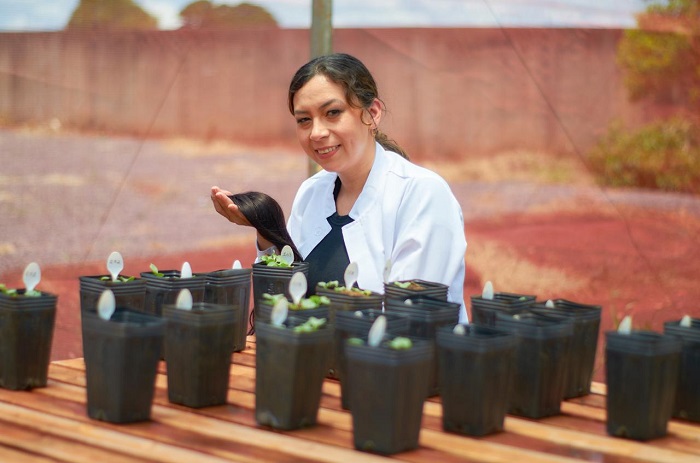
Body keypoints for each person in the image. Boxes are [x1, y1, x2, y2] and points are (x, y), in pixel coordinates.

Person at [211, 53, 468, 322]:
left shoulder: (421, 194)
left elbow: (410, 320)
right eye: (304, 120)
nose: (316, 133)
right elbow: (286, 301)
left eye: (332, 113)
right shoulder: (311, 192)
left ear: (372, 113)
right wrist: (266, 227)